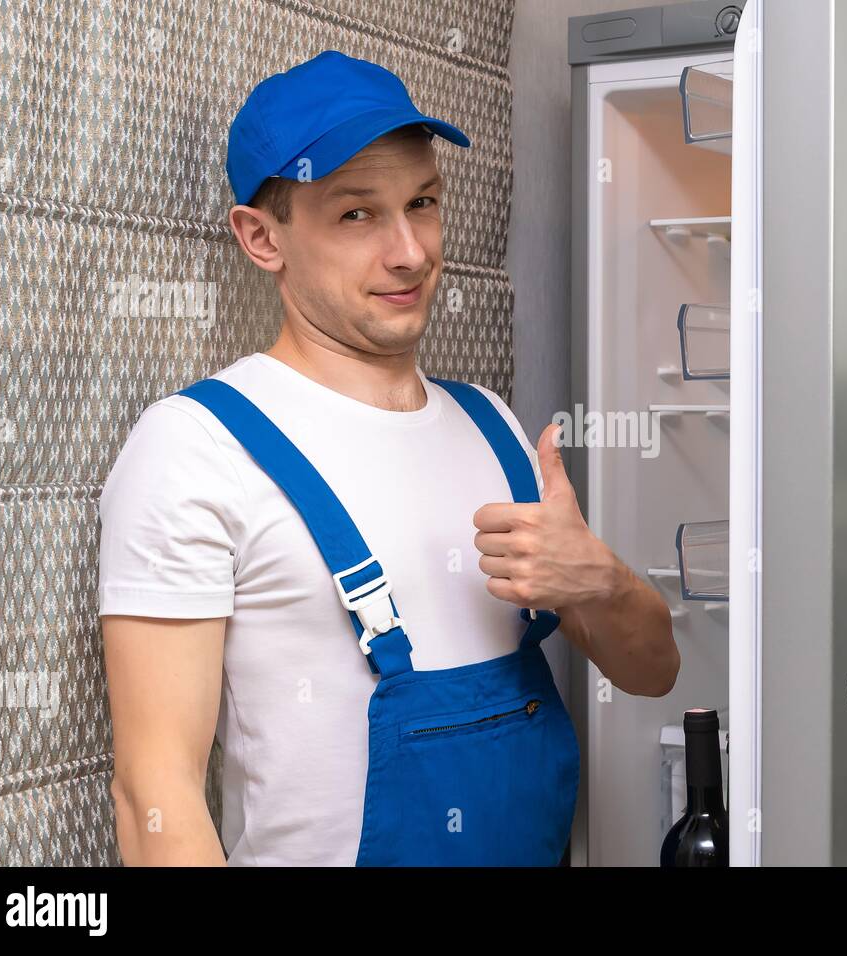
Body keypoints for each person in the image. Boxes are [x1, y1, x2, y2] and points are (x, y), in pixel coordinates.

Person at [98, 50, 678, 866]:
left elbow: (652, 671)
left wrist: (603, 581)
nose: (410, 252)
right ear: (261, 238)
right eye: (356, 215)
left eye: (423, 203)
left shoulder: (494, 427)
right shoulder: (196, 447)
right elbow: (152, 797)